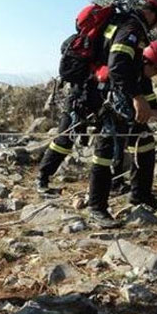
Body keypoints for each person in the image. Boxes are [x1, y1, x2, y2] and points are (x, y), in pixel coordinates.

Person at [87, 0, 157, 229]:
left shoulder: (133, 25)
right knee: (105, 151)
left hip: (119, 93)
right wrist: (137, 97)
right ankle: (97, 207)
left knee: (144, 141)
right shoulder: (131, 28)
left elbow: (133, 73)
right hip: (111, 97)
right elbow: (117, 67)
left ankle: (141, 194)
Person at [37, 35, 105, 196]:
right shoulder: (107, 39)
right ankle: (42, 178)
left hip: (80, 94)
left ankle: (43, 178)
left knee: (65, 140)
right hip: (86, 96)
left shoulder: (94, 39)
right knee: (64, 140)